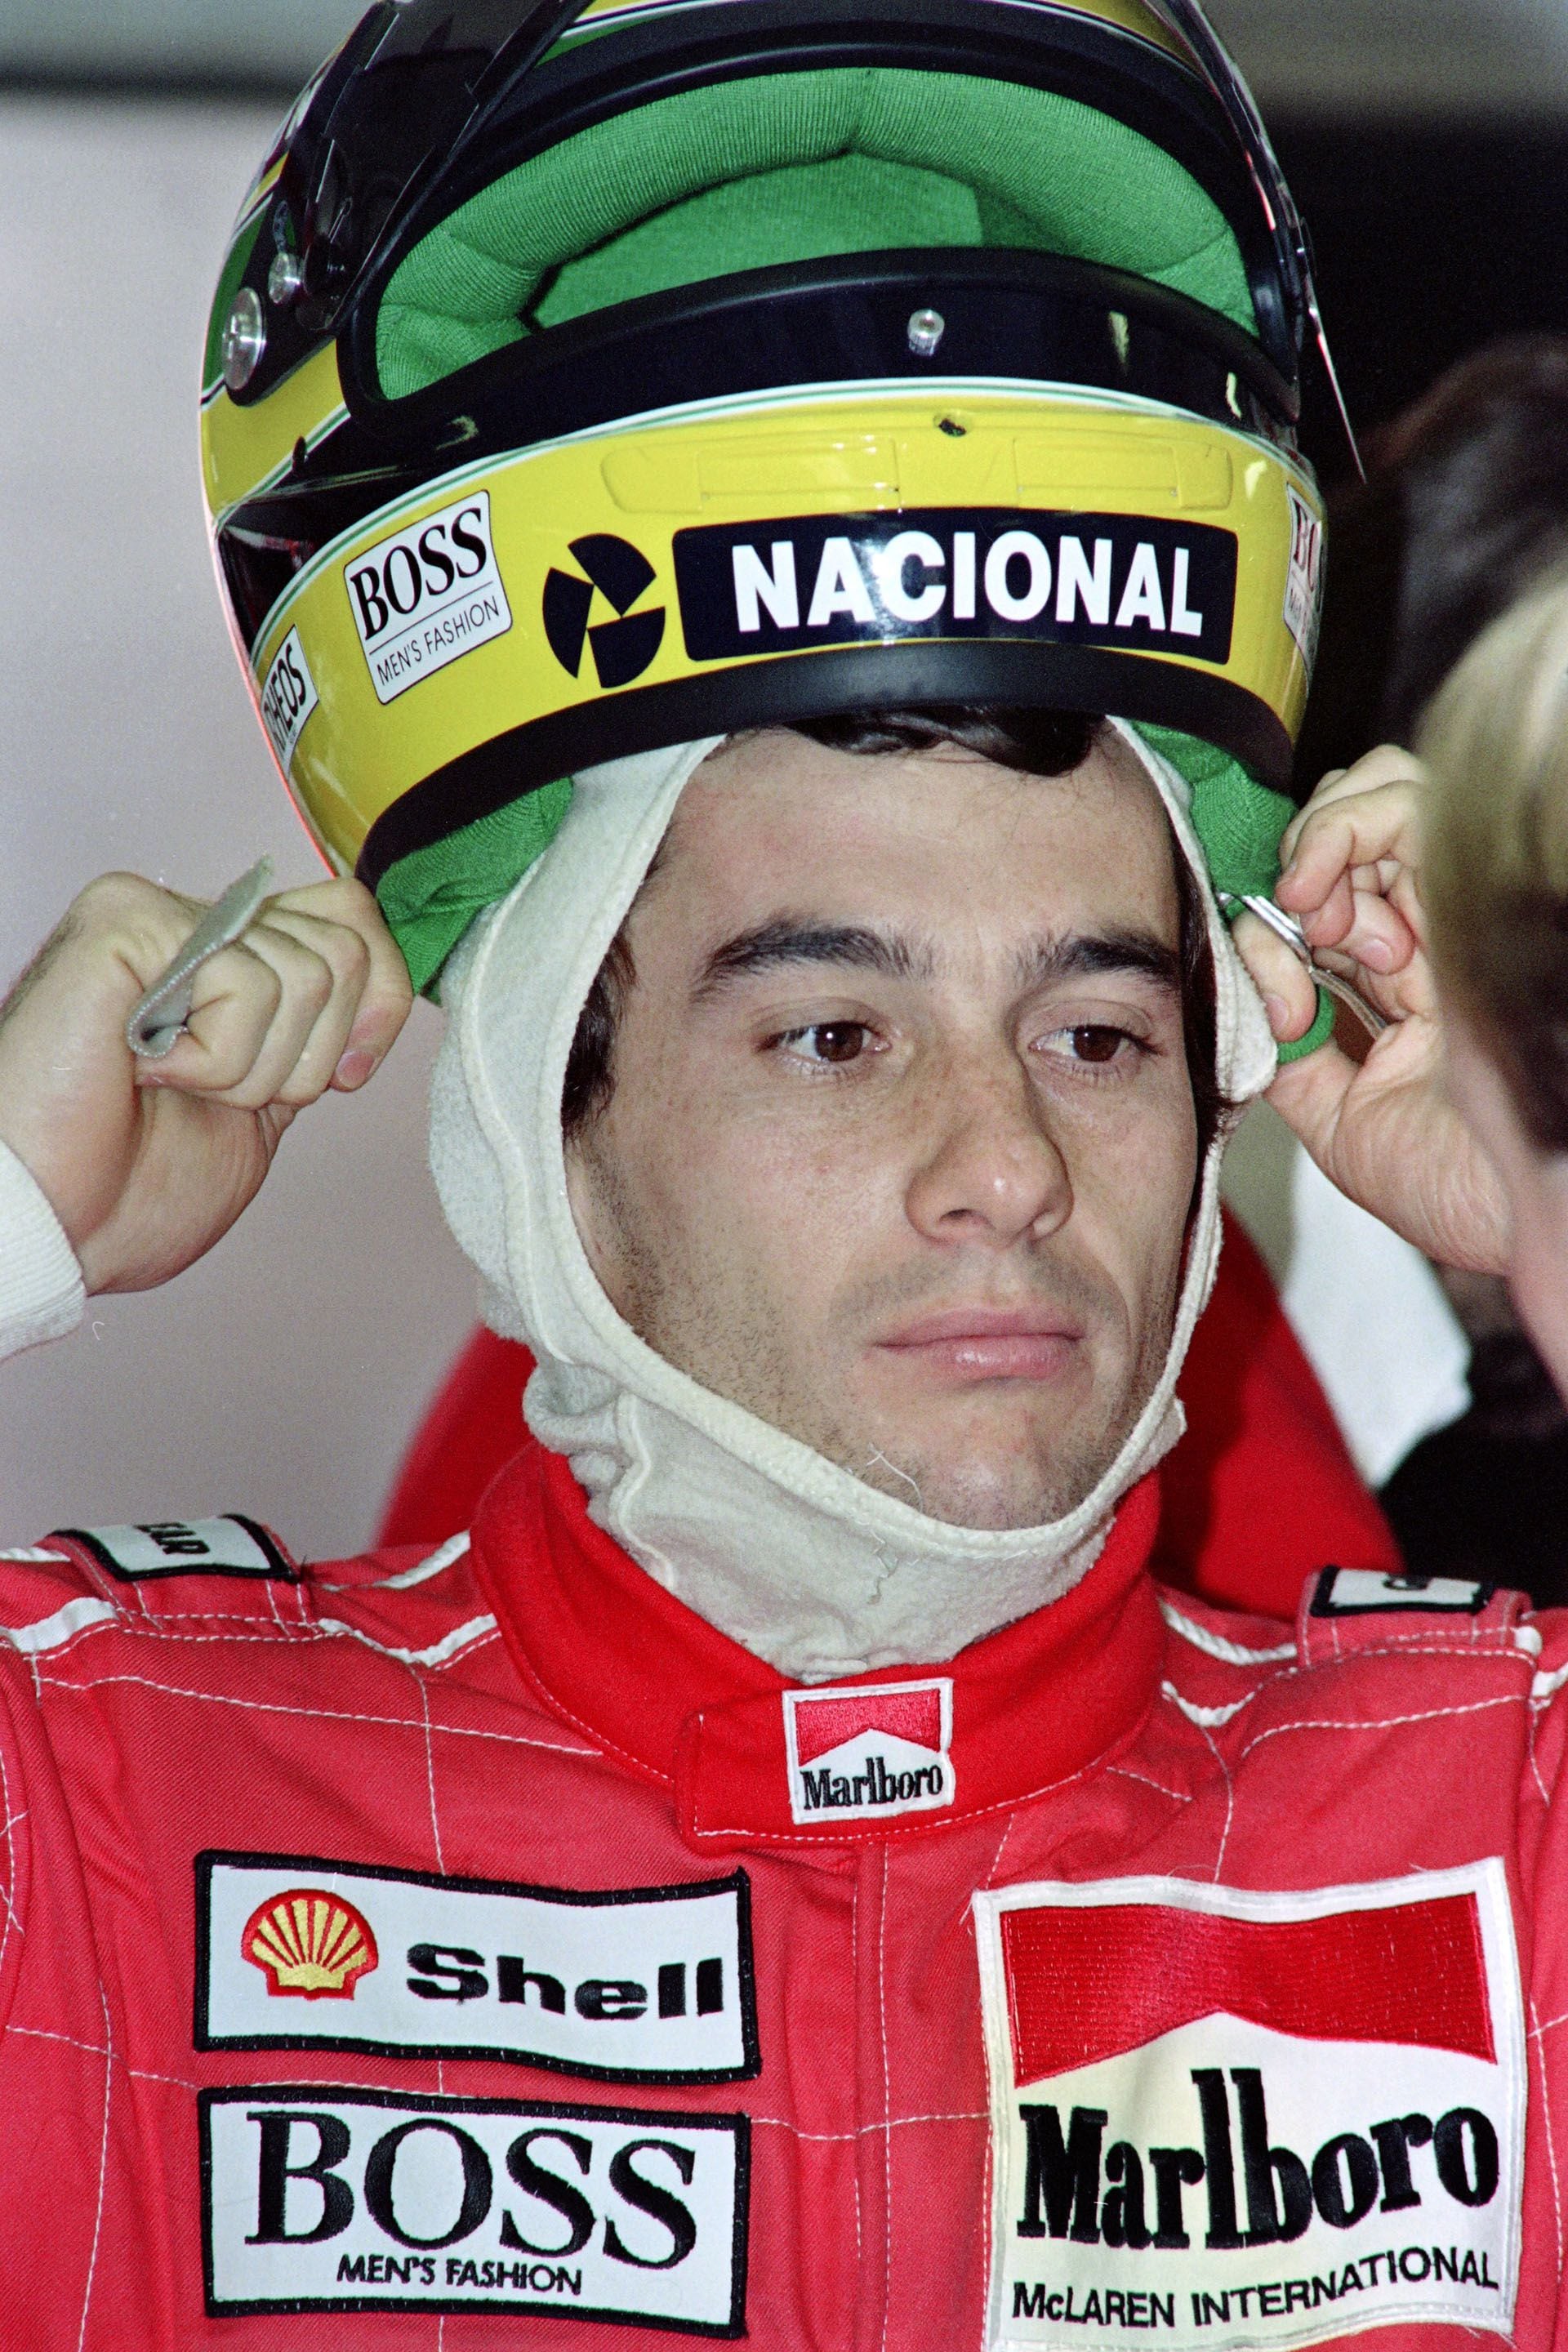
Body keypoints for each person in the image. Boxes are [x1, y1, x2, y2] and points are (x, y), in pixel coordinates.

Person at [0, 2, 1560, 2342]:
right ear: (556, 1097)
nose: (1007, 1166)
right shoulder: (111, 1800)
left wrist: (1545, 1170)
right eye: (835, 1032)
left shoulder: (1490, 1822)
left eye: (1102, 1027)